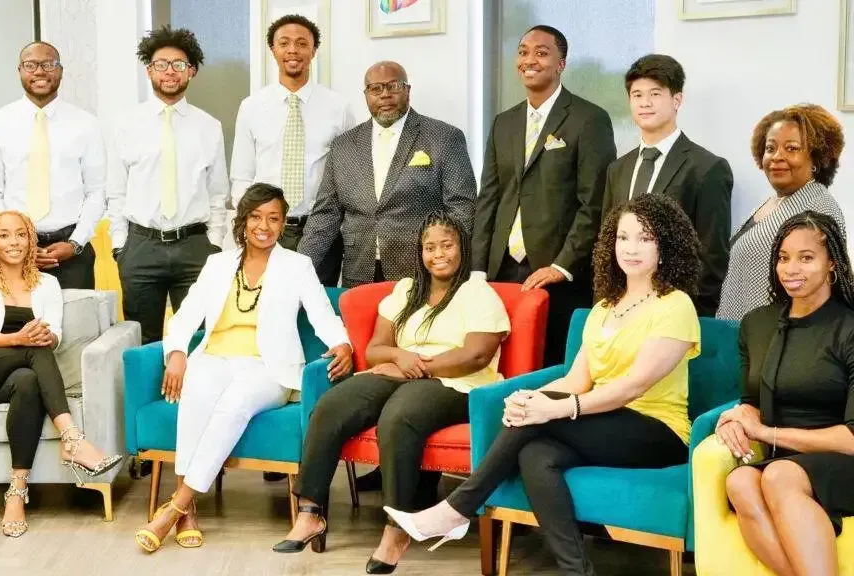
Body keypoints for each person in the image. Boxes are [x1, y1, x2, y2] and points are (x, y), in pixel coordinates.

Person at [387, 193, 702, 576]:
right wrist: (532, 397)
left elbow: (632, 387)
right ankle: (576, 571)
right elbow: (576, 379)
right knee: (535, 455)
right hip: (605, 423)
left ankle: (456, 510)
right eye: (623, 237)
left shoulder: (676, 305)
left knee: (539, 420)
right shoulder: (604, 307)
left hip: (657, 430)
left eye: (645, 238)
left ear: (665, 245)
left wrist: (556, 408)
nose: (631, 248)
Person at [275, 212, 510, 574]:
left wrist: (417, 367)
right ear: (420, 252)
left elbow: (475, 354)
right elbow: (375, 349)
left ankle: (398, 528)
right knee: (331, 404)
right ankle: (310, 512)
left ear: (461, 247)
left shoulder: (478, 292)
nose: (438, 255)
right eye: (429, 247)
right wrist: (401, 357)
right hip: (400, 372)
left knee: (400, 415)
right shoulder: (405, 290)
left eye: (447, 245)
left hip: (460, 384)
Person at [133, 183, 352, 553]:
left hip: (268, 368)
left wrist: (341, 342)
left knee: (233, 405)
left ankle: (174, 507)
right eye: (256, 217)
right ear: (243, 220)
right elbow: (186, 316)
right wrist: (176, 353)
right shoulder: (218, 264)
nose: (264, 226)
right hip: (215, 357)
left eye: (274, 218)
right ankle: (188, 513)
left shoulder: (297, 266)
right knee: (196, 395)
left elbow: (323, 316)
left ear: (284, 225)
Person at [0, 211, 120, 538]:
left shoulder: (48, 284)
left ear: (31, 240)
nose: (13, 242)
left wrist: (46, 337)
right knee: (32, 348)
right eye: (4, 235)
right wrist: (21, 339)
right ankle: (72, 438)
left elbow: (56, 334)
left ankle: (17, 491)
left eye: (21, 234)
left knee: (28, 379)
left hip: (13, 381)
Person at [717, 211, 854, 576]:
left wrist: (767, 434)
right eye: (783, 257)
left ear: (832, 265)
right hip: (787, 461)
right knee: (740, 481)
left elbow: (853, 439)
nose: (790, 268)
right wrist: (735, 420)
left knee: (779, 476)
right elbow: (750, 402)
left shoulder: (849, 327)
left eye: (806, 258)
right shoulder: (756, 324)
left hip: (843, 460)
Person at [472, 25, 617, 367]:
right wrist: (478, 269)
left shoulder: (589, 119)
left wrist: (561, 265)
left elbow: (593, 203)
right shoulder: (503, 123)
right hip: (501, 272)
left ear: (561, 64)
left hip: (560, 276)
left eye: (541, 52)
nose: (529, 60)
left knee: (549, 370)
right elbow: (489, 197)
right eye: (523, 52)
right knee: (500, 368)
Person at [298, 60, 477, 288]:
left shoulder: (443, 137)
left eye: (394, 86)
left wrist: (450, 262)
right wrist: (298, 268)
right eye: (376, 89)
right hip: (359, 271)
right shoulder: (343, 146)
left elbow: (462, 206)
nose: (385, 95)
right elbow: (326, 214)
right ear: (366, 95)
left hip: (422, 271)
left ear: (408, 91)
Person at [108, 26, 228, 344]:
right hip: (140, 248)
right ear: (149, 70)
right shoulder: (125, 124)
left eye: (179, 64)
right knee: (142, 340)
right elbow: (116, 191)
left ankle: (193, 395)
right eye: (161, 64)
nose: (170, 71)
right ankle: (148, 396)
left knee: (200, 338)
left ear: (191, 71)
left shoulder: (209, 127)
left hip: (194, 248)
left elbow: (218, 193)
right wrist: (121, 246)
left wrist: (213, 246)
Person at [601, 54, 732, 317]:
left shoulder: (707, 168)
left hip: (674, 314)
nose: (645, 103)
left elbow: (712, 257)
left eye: (655, 94)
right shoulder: (618, 169)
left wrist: (685, 315)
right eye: (637, 95)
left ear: (677, 99)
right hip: (620, 308)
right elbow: (606, 244)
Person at [228, 14, 354, 285]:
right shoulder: (251, 107)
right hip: (268, 227)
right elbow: (241, 175)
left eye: (301, 43)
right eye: (284, 43)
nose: (293, 51)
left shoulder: (338, 108)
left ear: (313, 50)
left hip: (321, 228)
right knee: (267, 308)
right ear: (273, 50)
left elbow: (349, 177)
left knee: (317, 308)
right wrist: (248, 227)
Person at [0, 41, 106, 289]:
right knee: (19, 325)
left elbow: (97, 192)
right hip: (13, 253)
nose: (39, 71)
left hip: (71, 251)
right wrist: (14, 241)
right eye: (30, 65)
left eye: (48, 64)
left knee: (77, 325)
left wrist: (76, 243)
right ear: (20, 71)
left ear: (60, 71)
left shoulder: (86, 124)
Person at [717, 104, 846, 321]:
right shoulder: (774, 202)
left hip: (779, 339)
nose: (777, 157)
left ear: (816, 158)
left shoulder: (818, 208)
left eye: (792, 148)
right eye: (770, 148)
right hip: (740, 333)